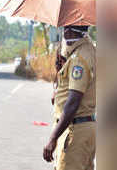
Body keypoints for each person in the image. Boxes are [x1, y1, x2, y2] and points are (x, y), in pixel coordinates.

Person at [43, 25, 96, 170]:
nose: (64, 32)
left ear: (70, 30)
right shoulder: (89, 49)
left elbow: (73, 102)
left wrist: (52, 139)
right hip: (85, 129)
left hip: (75, 131)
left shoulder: (79, 59)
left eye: (65, 27)